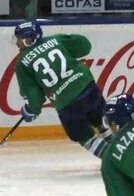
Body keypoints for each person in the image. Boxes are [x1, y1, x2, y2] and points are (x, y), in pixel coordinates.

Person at [13, 20, 110, 160]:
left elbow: (34, 96)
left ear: (29, 40)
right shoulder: (55, 40)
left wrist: (31, 110)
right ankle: (121, 150)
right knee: (101, 120)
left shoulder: (22, 63)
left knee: (84, 136)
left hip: (66, 102)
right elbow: (85, 46)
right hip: (87, 87)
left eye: (19, 40)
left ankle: (112, 159)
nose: (17, 43)